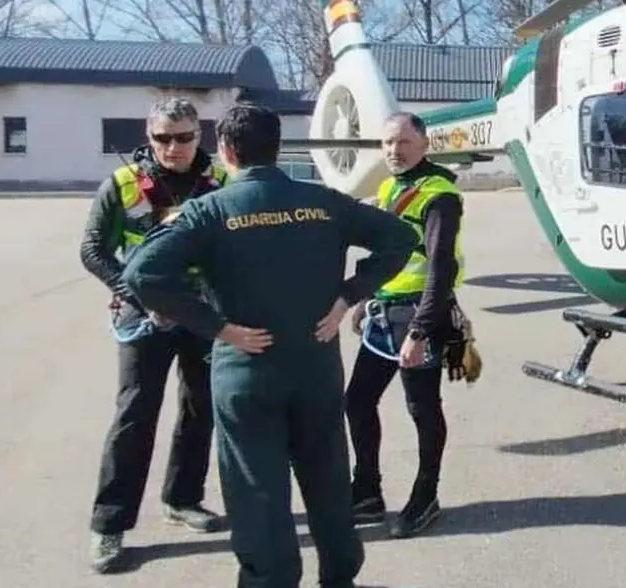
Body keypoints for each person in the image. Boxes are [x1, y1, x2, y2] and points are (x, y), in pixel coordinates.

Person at [119, 102, 417, 588]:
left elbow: (141, 273)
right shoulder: (324, 202)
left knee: (257, 493)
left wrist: (215, 327)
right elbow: (400, 237)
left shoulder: (209, 210)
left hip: (246, 370)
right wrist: (347, 297)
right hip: (315, 367)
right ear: (278, 149)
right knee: (327, 479)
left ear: (226, 151)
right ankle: (340, 576)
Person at [79, 96, 230, 573]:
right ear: (149, 138)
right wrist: (133, 292)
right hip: (143, 318)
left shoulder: (223, 183)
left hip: (202, 315)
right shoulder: (122, 185)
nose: (172, 147)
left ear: (198, 136)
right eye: (162, 138)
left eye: (183, 137)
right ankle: (109, 525)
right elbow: (92, 250)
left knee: (199, 407)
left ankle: (182, 499)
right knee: (135, 413)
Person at [346, 111, 470, 539]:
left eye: (403, 143)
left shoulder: (439, 196)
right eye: (387, 144)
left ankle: (425, 496)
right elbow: (384, 256)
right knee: (357, 401)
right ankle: (366, 491)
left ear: (424, 145)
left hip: (421, 317)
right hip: (384, 316)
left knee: (422, 409)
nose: (394, 152)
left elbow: (439, 269)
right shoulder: (388, 187)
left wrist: (420, 332)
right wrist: (364, 300)